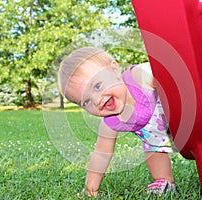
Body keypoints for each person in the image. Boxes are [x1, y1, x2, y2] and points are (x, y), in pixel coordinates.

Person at [58, 46, 175, 197]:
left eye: (97, 86)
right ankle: (164, 181)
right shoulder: (111, 123)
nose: (96, 100)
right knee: (153, 151)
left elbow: (166, 73)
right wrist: (90, 189)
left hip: (183, 119)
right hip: (156, 139)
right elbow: (101, 155)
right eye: (86, 101)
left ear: (114, 70)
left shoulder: (139, 77)